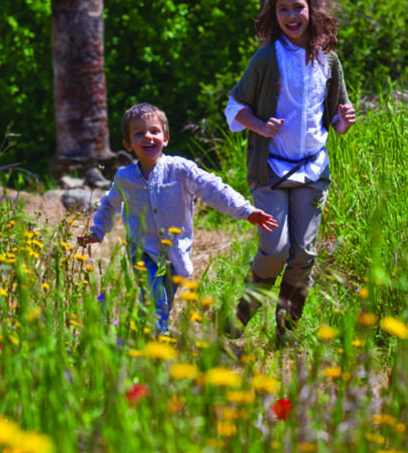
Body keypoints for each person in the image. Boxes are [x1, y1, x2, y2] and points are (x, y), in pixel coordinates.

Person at [224, 0, 356, 343]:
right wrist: (260, 126)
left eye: (298, 7)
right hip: (271, 170)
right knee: (276, 250)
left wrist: (344, 121)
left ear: (312, 9)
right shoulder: (267, 58)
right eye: (282, 9)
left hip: (313, 169)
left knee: (303, 255)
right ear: (274, 14)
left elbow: (335, 121)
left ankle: (286, 333)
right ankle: (240, 317)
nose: (291, 15)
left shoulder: (329, 60)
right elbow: (235, 106)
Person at [77, 102, 277, 333]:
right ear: (128, 144)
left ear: (166, 138)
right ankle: (155, 340)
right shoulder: (125, 178)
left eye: (154, 131)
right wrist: (97, 231)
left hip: (175, 253)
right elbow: (109, 204)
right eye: (138, 133)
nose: (148, 137)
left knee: (163, 300)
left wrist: (246, 210)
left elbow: (213, 188)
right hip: (142, 250)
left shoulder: (181, 170)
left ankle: (143, 334)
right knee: (155, 298)